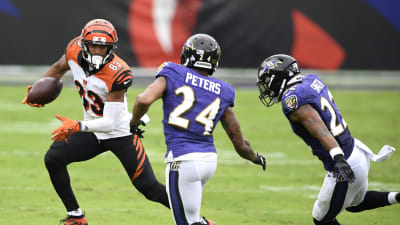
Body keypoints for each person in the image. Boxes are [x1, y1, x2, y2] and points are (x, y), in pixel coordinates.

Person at [22, 19, 169, 225]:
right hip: (93, 130)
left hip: (119, 133)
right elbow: (58, 67)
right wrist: (37, 90)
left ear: (112, 48)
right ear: (83, 44)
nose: (98, 51)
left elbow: (109, 123)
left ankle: (193, 218)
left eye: (103, 47)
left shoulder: (119, 72)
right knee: (53, 158)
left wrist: (77, 125)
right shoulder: (74, 50)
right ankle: (76, 216)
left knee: (149, 188)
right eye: (94, 45)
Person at [129, 33, 266, 225]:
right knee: (193, 219)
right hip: (208, 161)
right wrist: (255, 157)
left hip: (183, 160)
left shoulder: (173, 72)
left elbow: (143, 99)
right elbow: (240, 143)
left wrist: (133, 123)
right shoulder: (224, 89)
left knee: (186, 222)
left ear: (187, 54)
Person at [256, 54, 399, 225]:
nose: (266, 87)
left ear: (279, 77)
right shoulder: (311, 80)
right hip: (357, 151)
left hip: (345, 160)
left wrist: (338, 158)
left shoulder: (292, 100)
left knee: (322, 218)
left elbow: (320, 130)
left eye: (267, 81)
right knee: (354, 204)